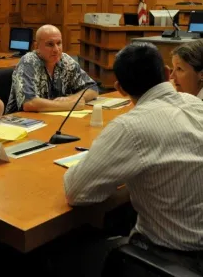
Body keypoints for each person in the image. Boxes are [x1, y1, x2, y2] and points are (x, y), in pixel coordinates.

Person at [63, 42, 203, 275]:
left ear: (119, 88)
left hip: (168, 259)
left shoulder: (131, 127)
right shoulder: (196, 104)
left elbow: (76, 192)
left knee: (65, 256)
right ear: (167, 74)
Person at [5, 24, 98, 114]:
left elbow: (92, 88)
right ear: (36, 47)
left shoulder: (66, 61)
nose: (56, 49)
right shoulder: (28, 62)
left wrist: (72, 99)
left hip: (52, 119)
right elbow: (29, 103)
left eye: (59, 43)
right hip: (20, 123)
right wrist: (69, 105)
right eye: (50, 44)